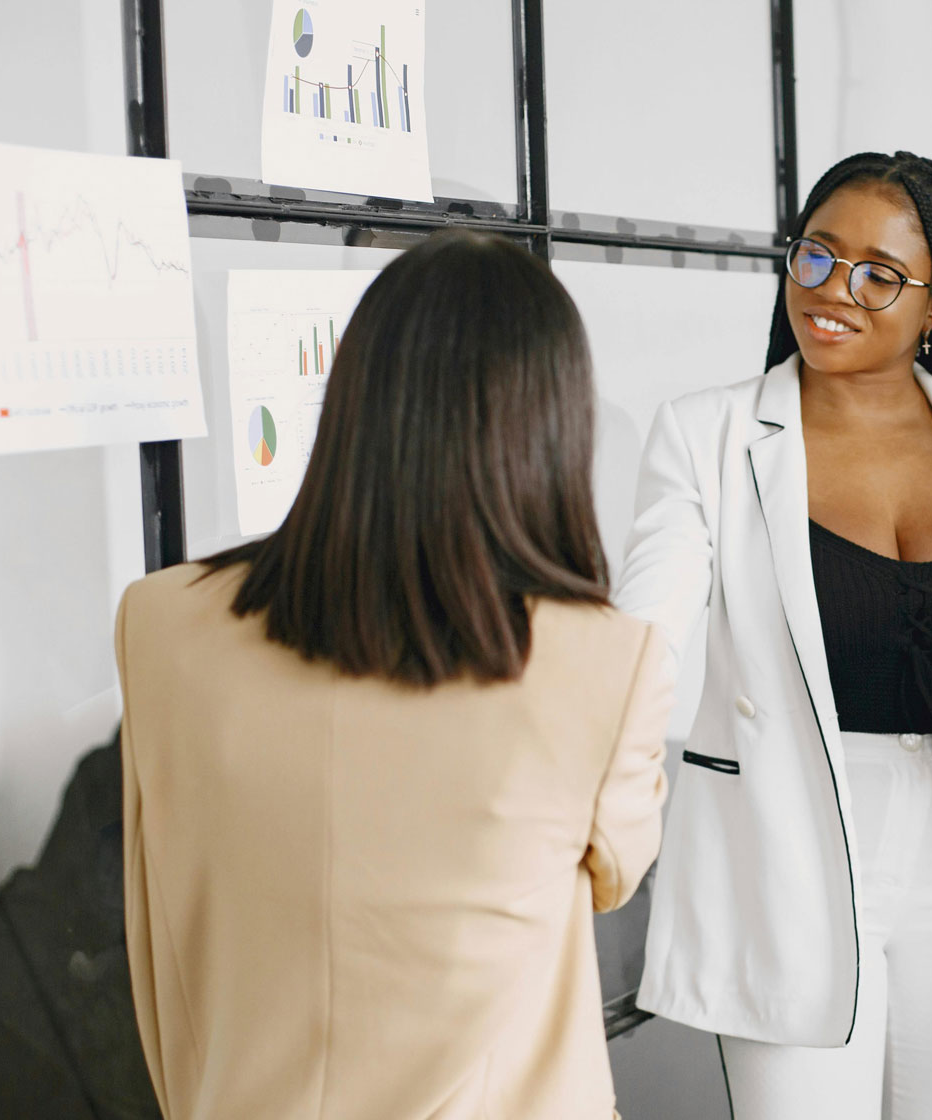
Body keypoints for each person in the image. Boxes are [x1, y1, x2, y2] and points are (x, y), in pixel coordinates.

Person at [115, 230, 669, 1120]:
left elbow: (158, 913)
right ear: (555, 429)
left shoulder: (162, 622)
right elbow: (615, 874)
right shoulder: (604, 661)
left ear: (353, 396)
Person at [615, 151, 932, 1119]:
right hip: (783, 854)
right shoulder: (702, 437)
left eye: (879, 275)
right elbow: (642, 644)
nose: (834, 292)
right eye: (815, 258)